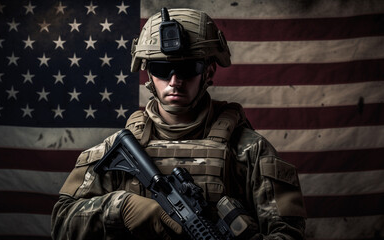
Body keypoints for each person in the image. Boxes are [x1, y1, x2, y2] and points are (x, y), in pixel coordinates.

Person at [51, 8, 307, 240]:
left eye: (187, 68)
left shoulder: (248, 150)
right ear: (148, 73)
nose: (174, 81)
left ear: (208, 72)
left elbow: (289, 234)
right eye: (162, 69)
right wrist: (121, 207)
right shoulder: (120, 148)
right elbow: (62, 223)